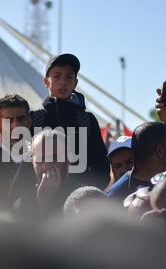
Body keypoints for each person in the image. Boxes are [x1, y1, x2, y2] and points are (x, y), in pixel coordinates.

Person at [30, 53, 109, 189]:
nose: (63, 81)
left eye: (69, 77)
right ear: (45, 82)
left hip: (78, 203)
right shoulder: (35, 119)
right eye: (57, 76)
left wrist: (84, 195)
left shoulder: (87, 120)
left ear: (75, 83)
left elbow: (101, 169)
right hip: (40, 200)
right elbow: (25, 165)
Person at [14, 129, 83, 221]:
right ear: (32, 162)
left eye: (54, 158)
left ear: (68, 160)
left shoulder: (86, 197)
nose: (46, 166)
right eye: (40, 159)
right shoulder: (24, 202)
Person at [106, 122, 166, 203]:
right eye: (117, 165)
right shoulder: (113, 197)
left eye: (130, 161)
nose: (124, 169)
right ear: (159, 151)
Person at [0, 94, 35, 203]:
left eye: (21, 119)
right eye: (9, 120)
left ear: (28, 121)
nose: (16, 125)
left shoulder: (41, 155)